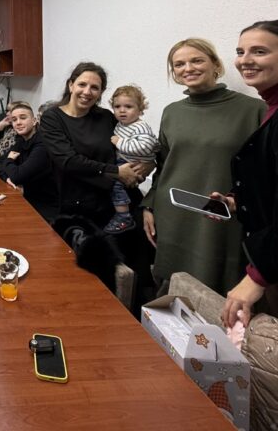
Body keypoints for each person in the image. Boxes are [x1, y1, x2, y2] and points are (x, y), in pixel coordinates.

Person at [141, 38, 264, 295]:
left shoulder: (253, 110)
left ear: (216, 64)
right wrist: (149, 205)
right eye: (179, 64)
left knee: (215, 293)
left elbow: (263, 175)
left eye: (197, 60)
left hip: (220, 218)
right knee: (173, 291)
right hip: (173, 214)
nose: (188, 68)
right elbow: (163, 164)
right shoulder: (172, 112)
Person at [216, 21, 278, 327]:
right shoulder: (270, 107)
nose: (245, 60)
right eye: (240, 52)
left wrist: (257, 277)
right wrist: (236, 201)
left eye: (259, 51)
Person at [40, 62, 144, 225]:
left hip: (118, 202)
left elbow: (133, 142)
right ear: (71, 85)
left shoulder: (107, 117)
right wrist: (117, 171)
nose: (87, 92)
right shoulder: (52, 118)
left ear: (101, 92)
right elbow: (68, 161)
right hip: (79, 206)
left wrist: (145, 165)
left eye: (95, 87)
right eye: (82, 84)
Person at [104, 85, 159, 235]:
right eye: (117, 106)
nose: (122, 110)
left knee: (116, 185)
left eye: (128, 106)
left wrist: (120, 142)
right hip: (124, 160)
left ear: (140, 110)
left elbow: (144, 147)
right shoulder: (122, 124)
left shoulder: (140, 127)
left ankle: (123, 216)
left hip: (133, 164)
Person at [0, 101, 58, 222]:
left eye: (23, 118)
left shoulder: (43, 144)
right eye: (14, 119)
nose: (18, 122)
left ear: (34, 121)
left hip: (43, 206)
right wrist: (7, 178)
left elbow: (17, 176)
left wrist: (9, 161)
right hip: (24, 196)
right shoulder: (21, 140)